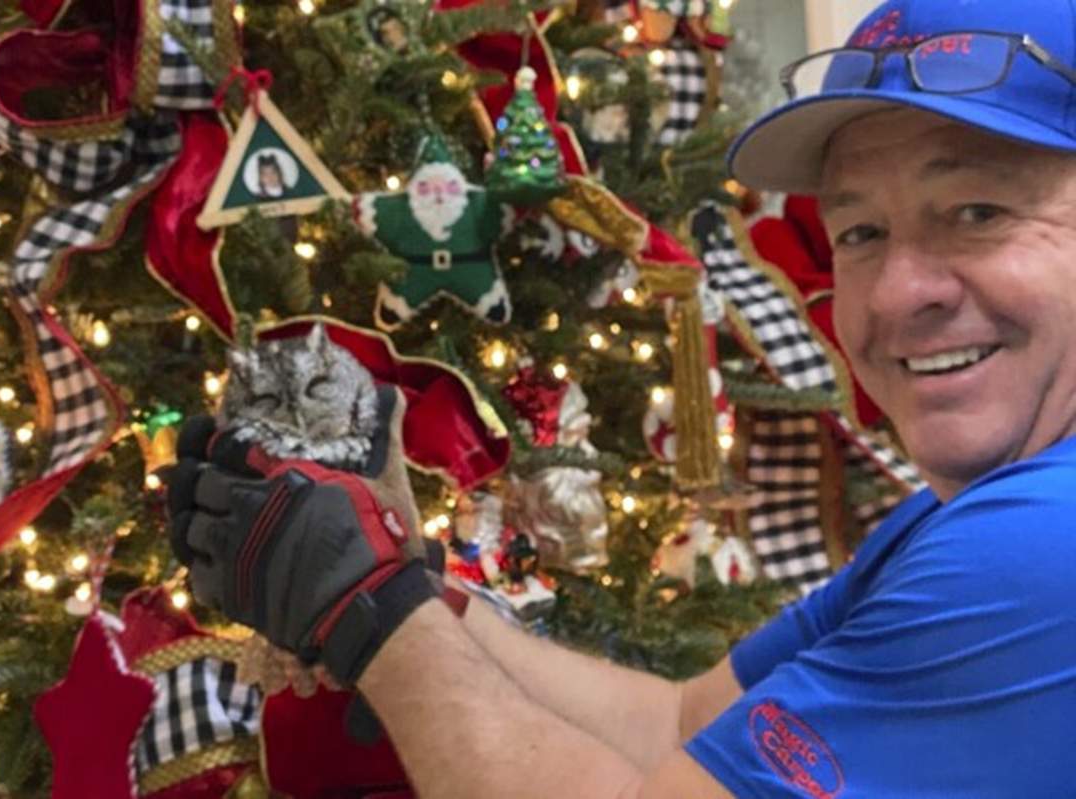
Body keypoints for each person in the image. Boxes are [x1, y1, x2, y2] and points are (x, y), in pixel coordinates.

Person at [166, 0, 1076, 795]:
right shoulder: (962, 520)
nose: (894, 293)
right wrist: (408, 581)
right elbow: (680, 723)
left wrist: (365, 610)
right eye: (862, 230)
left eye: (978, 212)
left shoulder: (1039, 544)